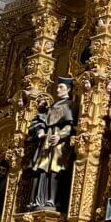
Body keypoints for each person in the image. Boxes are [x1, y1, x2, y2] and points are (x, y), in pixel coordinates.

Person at [29, 81, 74, 209]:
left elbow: (69, 125)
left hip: (58, 141)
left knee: (55, 168)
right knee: (42, 168)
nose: (58, 89)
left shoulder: (69, 104)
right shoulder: (53, 106)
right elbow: (42, 120)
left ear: (68, 89)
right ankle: (39, 200)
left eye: (61, 87)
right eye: (57, 87)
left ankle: (52, 199)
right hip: (47, 140)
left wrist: (60, 136)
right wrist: (41, 131)